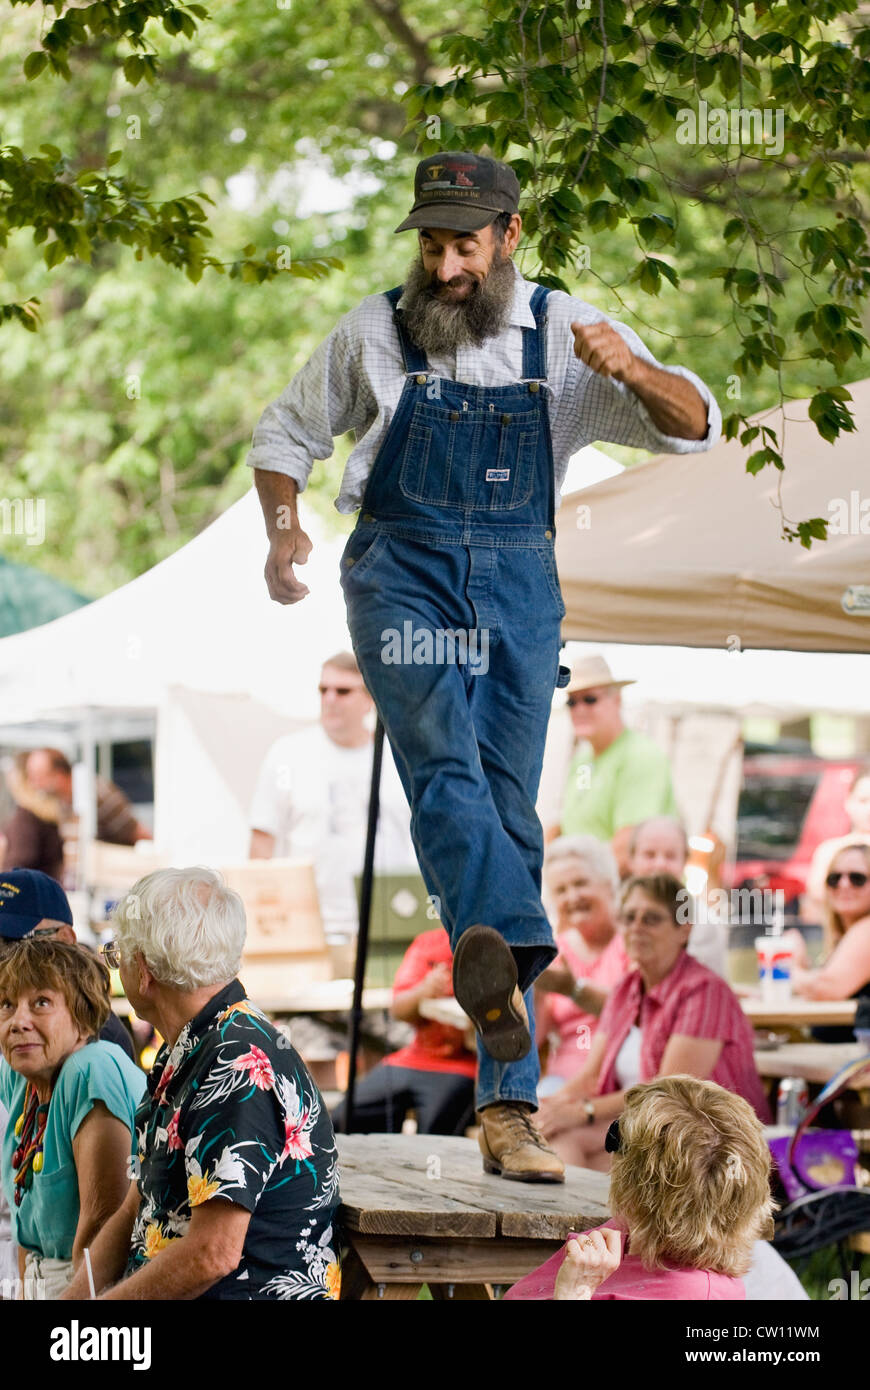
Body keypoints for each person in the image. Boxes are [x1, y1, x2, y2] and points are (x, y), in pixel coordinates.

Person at [248, 149, 721, 1181]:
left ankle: (507, 1107)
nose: (446, 265)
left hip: (519, 584)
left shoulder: (564, 333)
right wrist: (285, 531)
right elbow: (285, 433)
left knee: (509, 816)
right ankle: (512, 963)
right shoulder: (375, 330)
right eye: (432, 243)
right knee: (447, 772)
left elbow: (694, 428)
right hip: (400, 575)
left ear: (509, 238)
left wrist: (633, 372)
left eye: (466, 244)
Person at [61, 867, 340, 1301]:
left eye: (117, 955)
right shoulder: (194, 1045)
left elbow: (213, 1254)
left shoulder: (238, 1062)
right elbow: (139, 1202)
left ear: (144, 969)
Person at [537, 873, 769, 1170]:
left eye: (651, 919)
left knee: (565, 1143)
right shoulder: (626, 989)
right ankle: (584, 1217)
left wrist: (582, 1112)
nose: (636, 928)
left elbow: (669, 1090)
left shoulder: (705, 991)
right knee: (547, 1135)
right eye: (629, 917)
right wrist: (548, 1108)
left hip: (707, 1144)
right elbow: (590, 1078)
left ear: (683, 929)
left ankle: (582, 1218)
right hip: (646, 1126)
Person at [504, 1075, 775, 1301]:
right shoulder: (626, 1236)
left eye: (619, 1139)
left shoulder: (692, 1295)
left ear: (640, 1189)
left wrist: (573, 1294)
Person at [0, 939, 145, 1298]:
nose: (19, 1021)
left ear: (82, 1015)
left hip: (92, 1286)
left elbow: (105, 1227)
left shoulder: (91, 1068)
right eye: (6, 1004)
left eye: (41, 1003)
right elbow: (24, 1226)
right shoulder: (18, 1074)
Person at [249, 651, 416, 959]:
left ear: (370, 697)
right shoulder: (288, 755)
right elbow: (261, 849)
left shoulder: (398, 758)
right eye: (323, 689)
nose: (329, 699)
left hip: (390, 926)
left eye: (343, 691)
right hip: (308, 930)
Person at [332, 926, 476, 1135]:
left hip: (463, 1065)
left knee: (434, 1136)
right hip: (413, 1058)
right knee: (341, 1119)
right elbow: (398, 1009)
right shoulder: (428, 943)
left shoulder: (494, 942)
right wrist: (424, 991)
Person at [558, 656, 678, 877]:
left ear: (617, 700)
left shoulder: (640, 756)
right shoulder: (583, 759)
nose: (579, 709)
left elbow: (627, 851)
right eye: (571, 702)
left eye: (590, 699)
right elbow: (562, 827)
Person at [534, 837, 629, 1097]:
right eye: (561, 890)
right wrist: (533, 994)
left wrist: (573, 988)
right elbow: (536, 1039)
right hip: (564, 1078)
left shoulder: (634, 941)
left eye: (580, 883)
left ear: (609, 884)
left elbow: (633, 1010)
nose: (572, 896)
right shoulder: (554, 950)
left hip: (623, 1080)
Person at [628, 816, 728, 978]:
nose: (660, 864)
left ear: (685, 862)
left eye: (670, 856)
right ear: (631, 860)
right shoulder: (616, 915)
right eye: (649, 855)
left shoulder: (701, 923)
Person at [790, 844, 870, 1028]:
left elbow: (826, 988)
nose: (843, 884)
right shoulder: (849, 932)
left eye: (857, 878)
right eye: (834, 878)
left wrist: (789, 969)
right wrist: (803, 967)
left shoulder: (866, 929)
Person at [25, 747, 152, 847]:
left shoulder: (97, 794)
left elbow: (139, 834)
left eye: (38, 777)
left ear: (58, 775)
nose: (33, 784)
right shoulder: (63, 800)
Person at [803, 766, 870, 923]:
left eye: (856, 878)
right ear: (848, 802)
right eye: (863, 801)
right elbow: (814, 905)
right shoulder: (829, 852)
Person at [1, 755, 65, 882]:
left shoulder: (27, 817)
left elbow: (19, 864)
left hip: (29, 895)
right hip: (46, 891)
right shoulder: (45, 813)